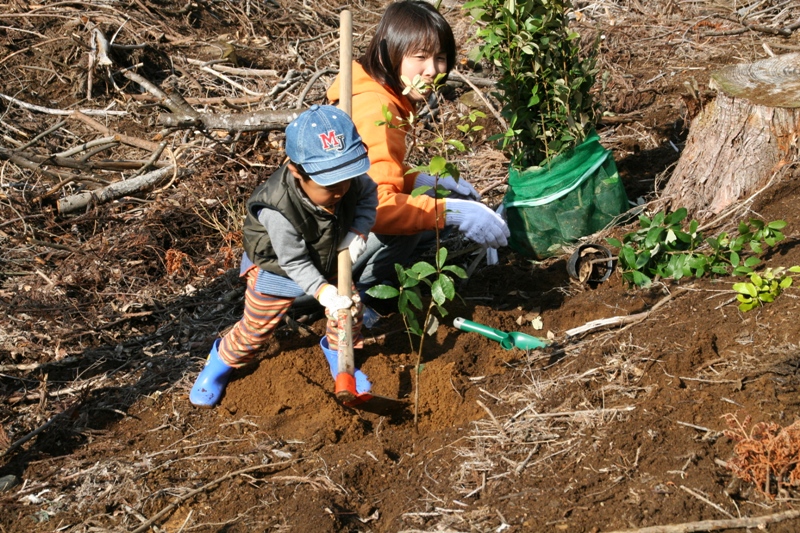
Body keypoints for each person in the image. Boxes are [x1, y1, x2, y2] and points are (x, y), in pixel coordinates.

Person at [190, 104, 377, 408]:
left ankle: (340, 355)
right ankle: (220, 362)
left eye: (347, 177)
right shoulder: (278, 210)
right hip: (277, 269)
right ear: (297, 172)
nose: (342, 189)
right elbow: (293, 261)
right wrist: (323, 291)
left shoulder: (350, 182)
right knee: (256, 329)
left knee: (349, 313)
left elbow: (369, 195)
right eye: (329, 184)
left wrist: (358, 232)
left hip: (328, 255)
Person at [326, 0, 509, 304]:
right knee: (410, 225)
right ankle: (368, 298)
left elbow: (366, 174)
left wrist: (419, 180)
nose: (432, 70)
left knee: (424, 209)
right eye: (420, 57)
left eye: (440, 57)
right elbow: (379, 208)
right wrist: (454, 212)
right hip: (303, 265)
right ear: (390, 54)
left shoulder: (373, 90)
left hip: (317, 240)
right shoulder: (375, 107)